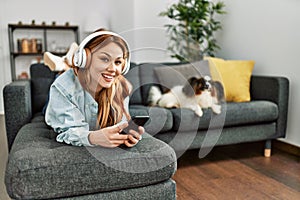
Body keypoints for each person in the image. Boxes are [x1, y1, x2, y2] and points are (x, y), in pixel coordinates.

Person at [45, 28, 144, 148]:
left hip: (87, 80)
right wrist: (93, 138)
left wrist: (126, 135)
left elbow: (121, 123)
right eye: (105, 59)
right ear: (85, 59)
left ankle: (67, 61)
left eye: (118, 62)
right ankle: (65, 63)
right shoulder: (62, 88)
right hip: (56, 104)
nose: (113, 69)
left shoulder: (122, 86)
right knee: (50, 102)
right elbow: (67, 130)